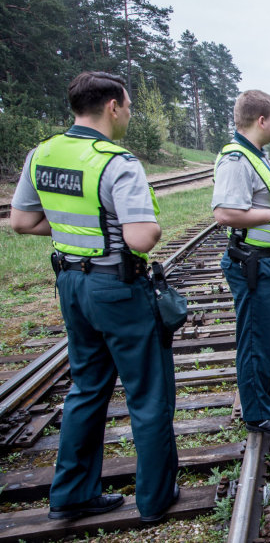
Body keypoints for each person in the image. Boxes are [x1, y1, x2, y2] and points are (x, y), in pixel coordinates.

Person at [10, 71, 179, 523]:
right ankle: (156, 498)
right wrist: (128, 231)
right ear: (112, 107)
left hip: (71, 284)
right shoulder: (116, 161)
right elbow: (141, 238)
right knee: (148, 394)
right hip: (117, 288)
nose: (128, 112)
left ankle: (71, 493)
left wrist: (76, 232)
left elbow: (22, 222)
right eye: (127, 105)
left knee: (85, 389)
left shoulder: (41, 153)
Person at [212, 90, 270, 436]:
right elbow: (224, 212)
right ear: (261, 120)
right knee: (254, 336)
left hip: (267, 262)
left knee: (266, 334)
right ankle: (257, 413)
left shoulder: (255, 155)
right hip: (252, 263)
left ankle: (266, 392)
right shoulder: (237, 159)